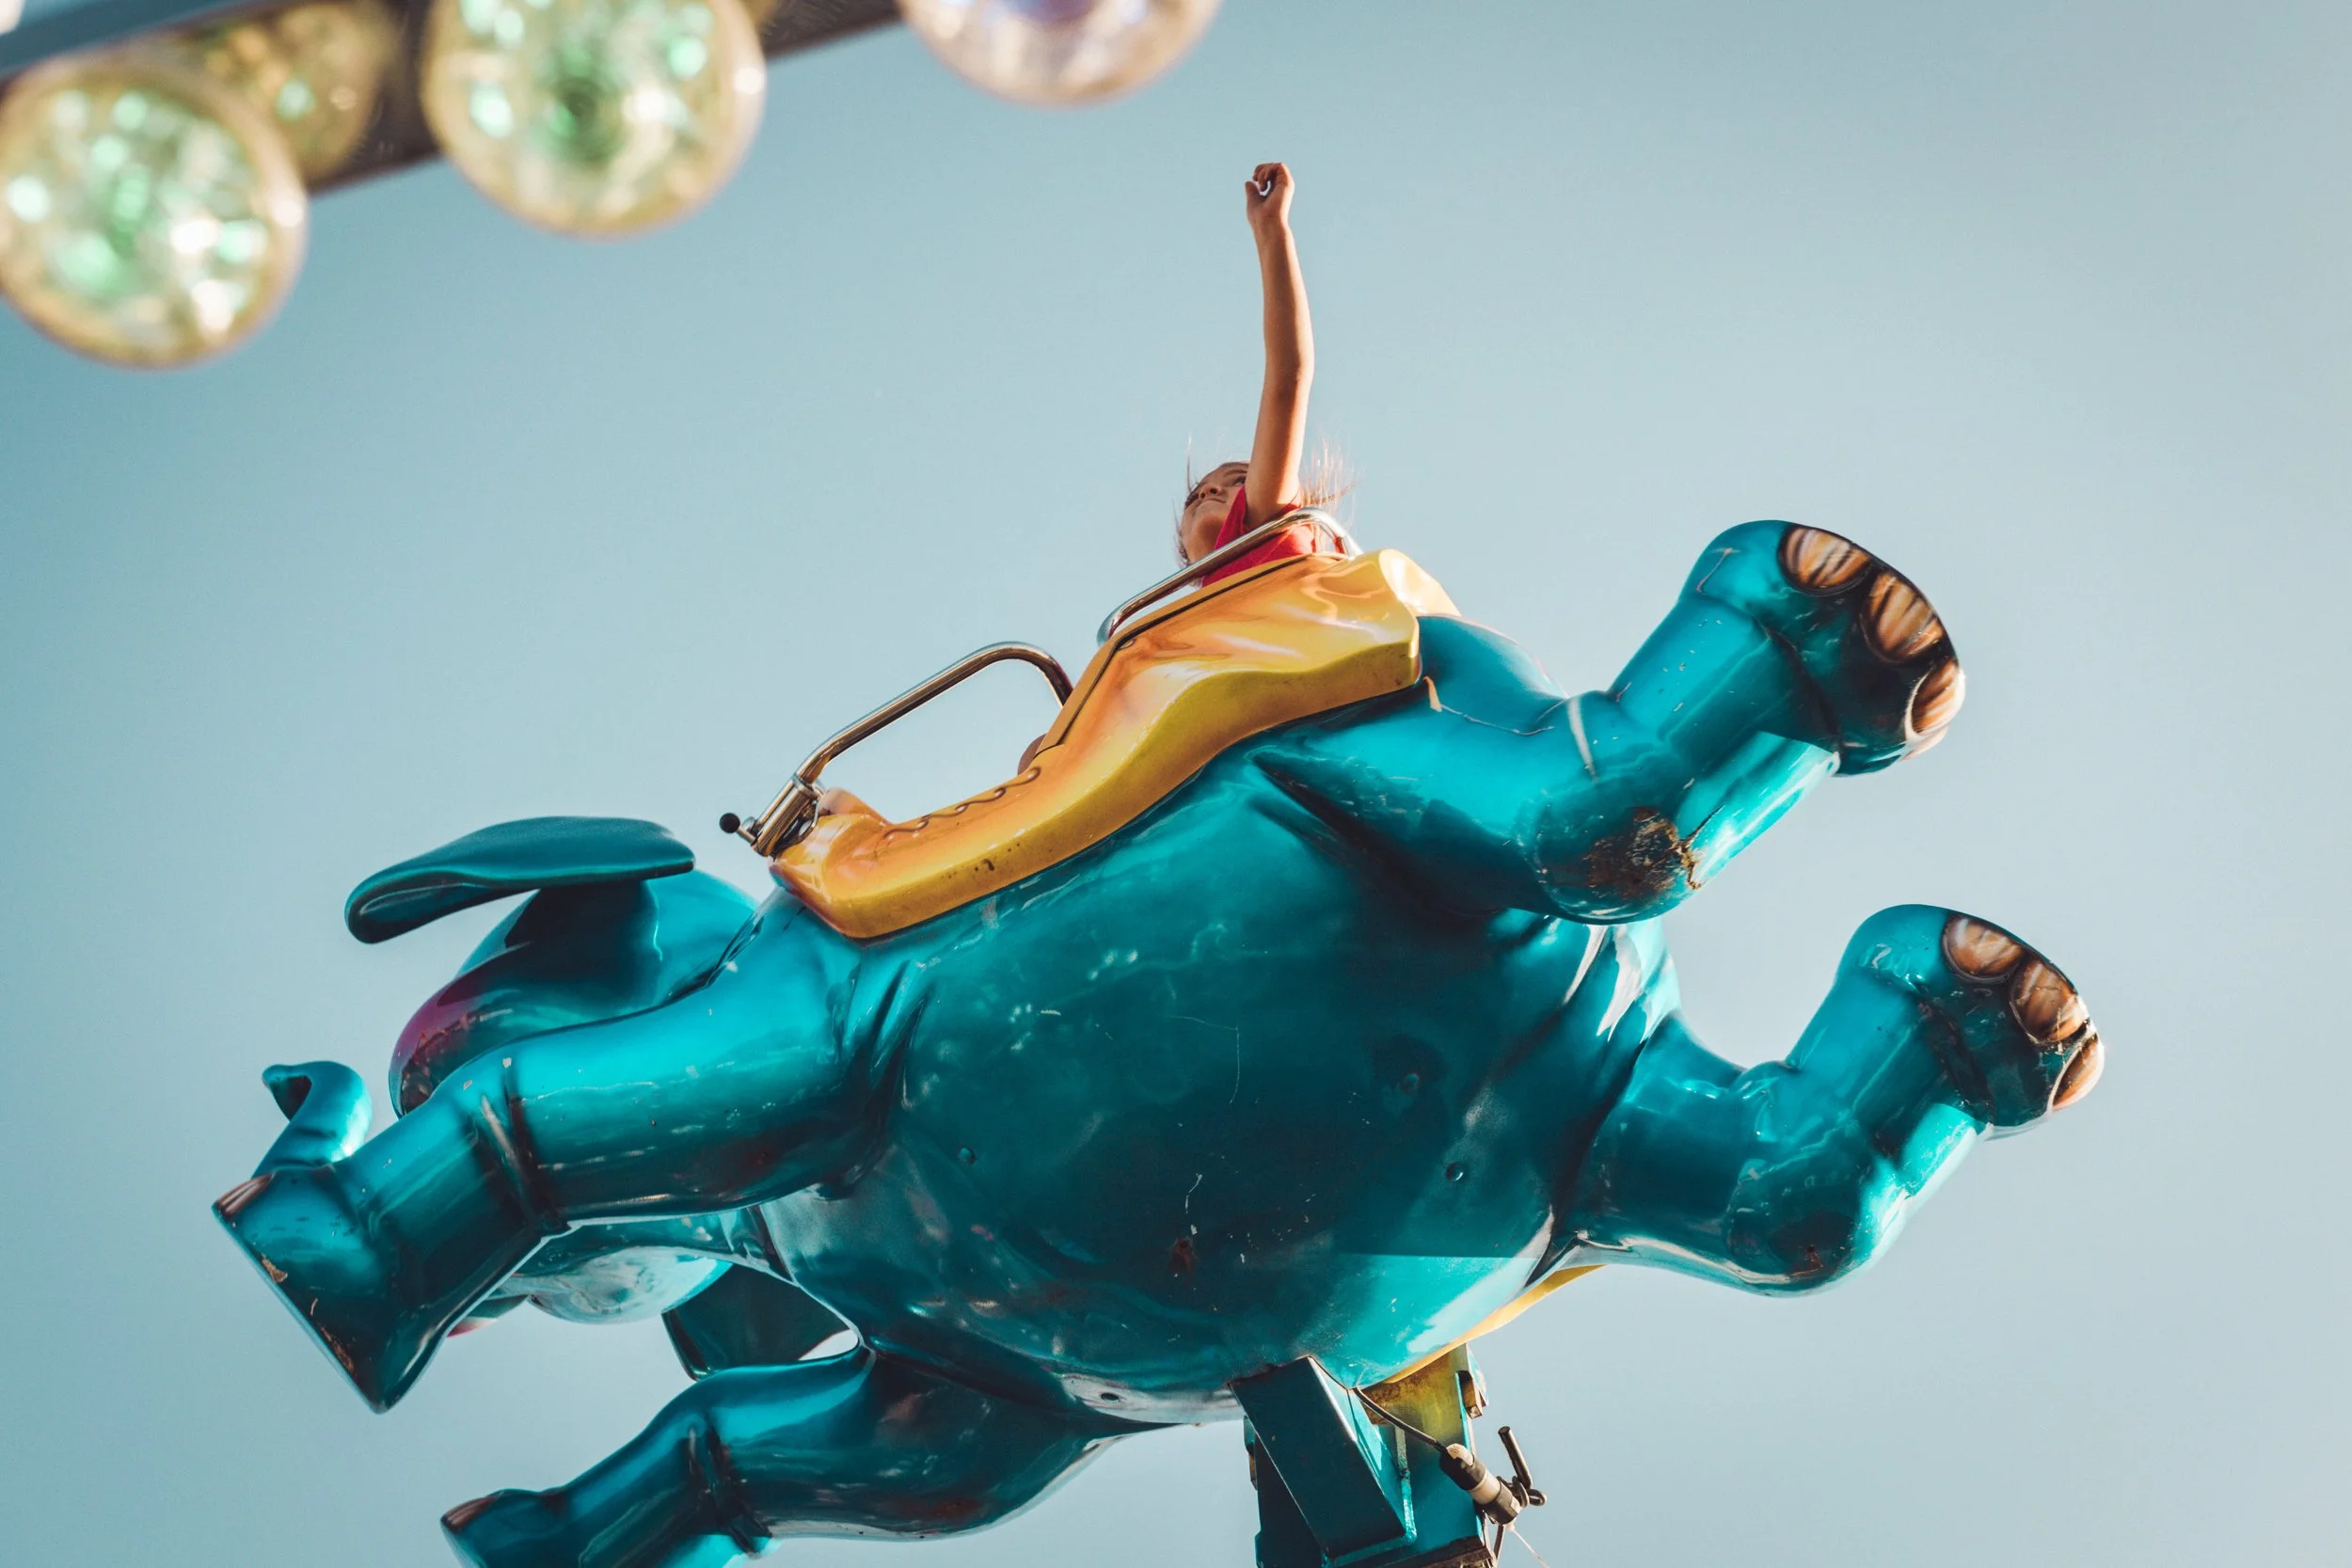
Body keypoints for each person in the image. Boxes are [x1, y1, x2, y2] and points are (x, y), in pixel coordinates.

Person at [1176, 162, 1343, 581]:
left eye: (1239, 481)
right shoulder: (1187, 626)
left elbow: (1287, 380)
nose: (1207, 491)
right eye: (1197, 494)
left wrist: (1271, 231)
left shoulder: (1262, 529)